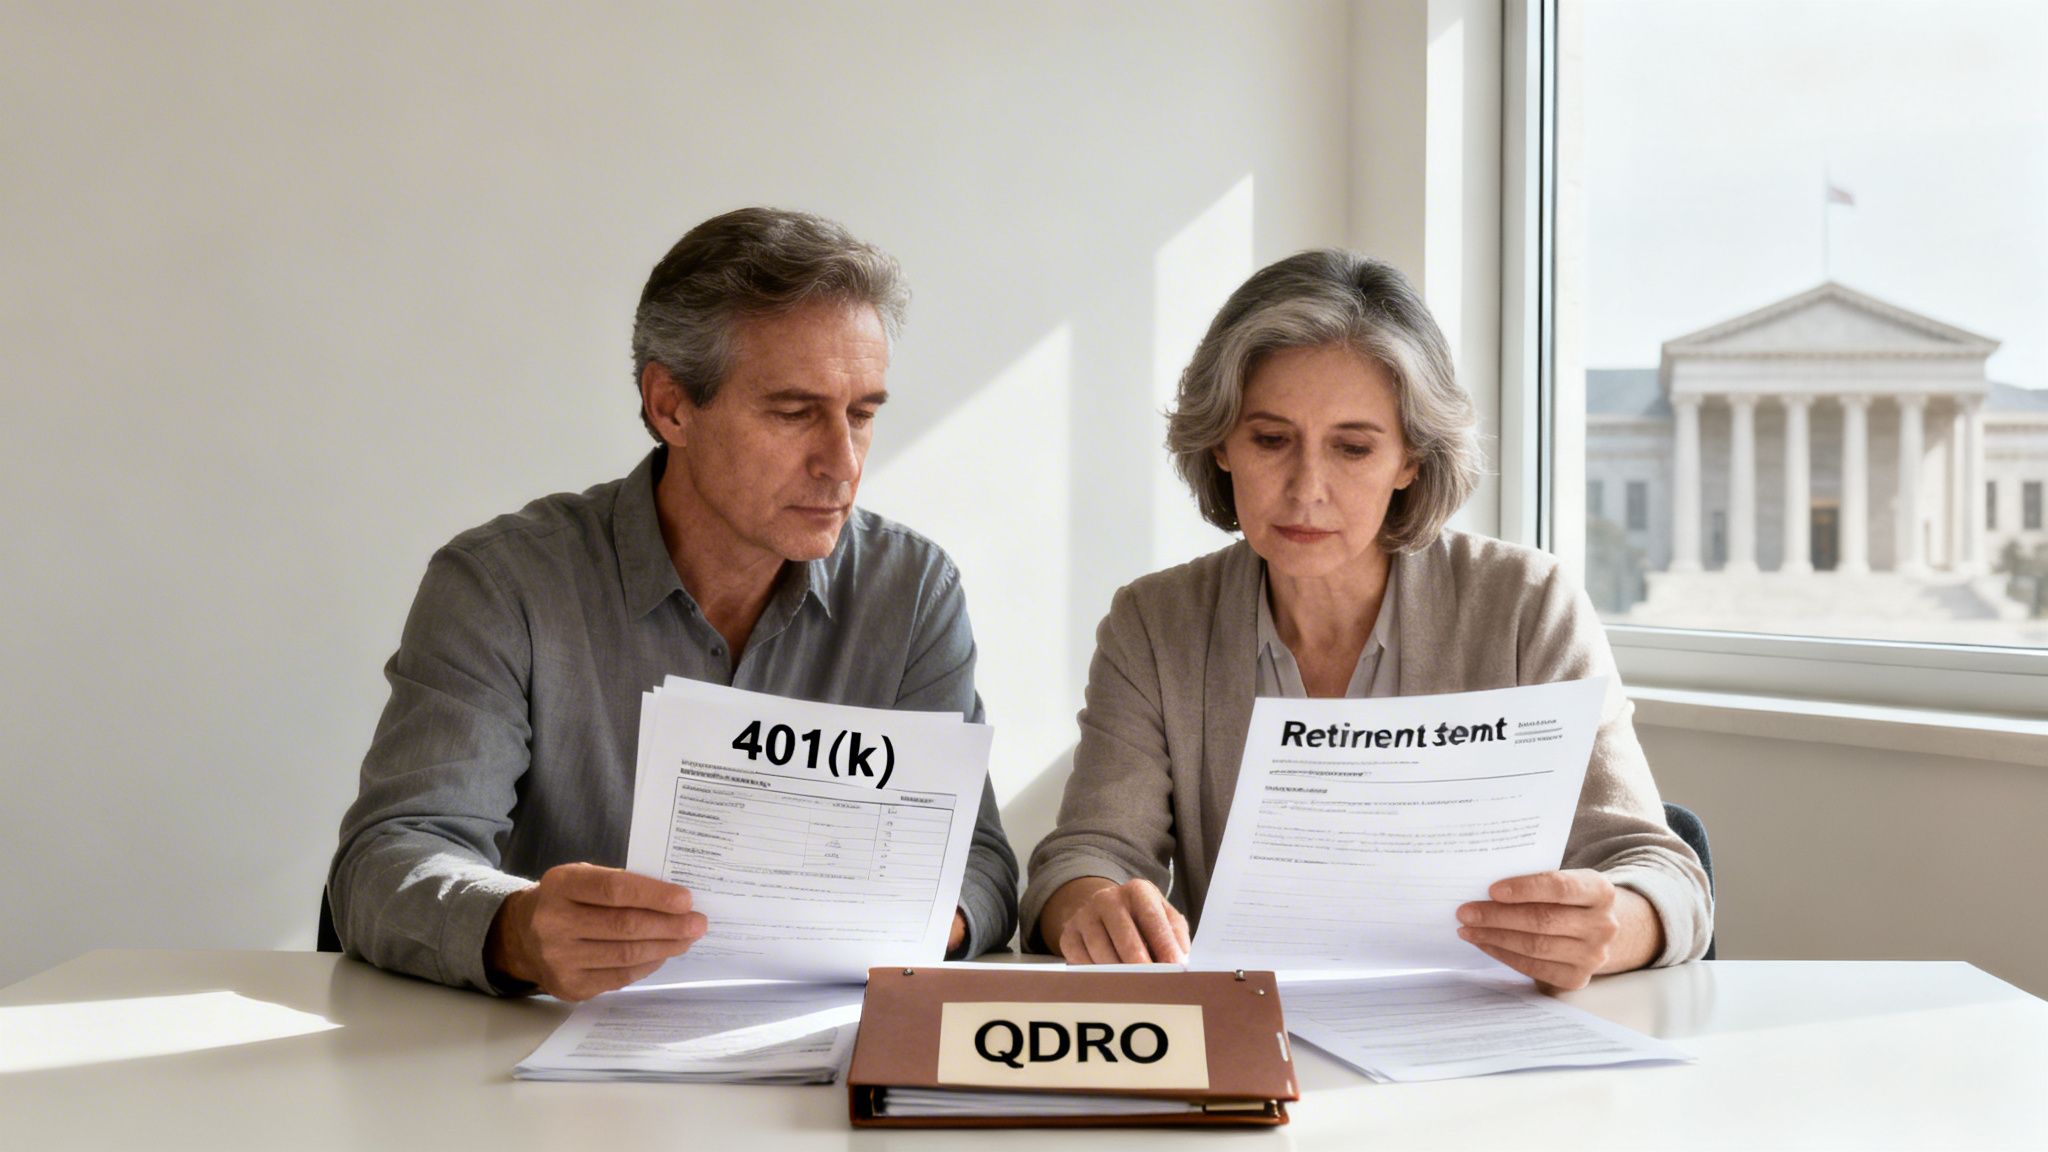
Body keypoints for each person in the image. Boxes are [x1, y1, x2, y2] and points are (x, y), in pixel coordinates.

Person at [330, 207, 1018, 1000]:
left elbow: (982, 865)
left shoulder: (913, 593)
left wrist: (923, 920)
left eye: (862, 415)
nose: (842, 463)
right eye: (795, 413)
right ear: (671, 407)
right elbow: (389, 858)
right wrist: (515, 929)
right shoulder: (502, 585)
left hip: (814, 1063)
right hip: (539, 1075)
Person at [1021, 249, 1711, 990]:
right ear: (1221, 442)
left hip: (1481, 1041)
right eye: (1270, 439)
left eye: (1353, 447)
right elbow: (1082, 857)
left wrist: (1611, 929)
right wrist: (1094, 907)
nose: (1306, 489)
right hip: (1252, 1036)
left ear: (1411, 459)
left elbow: (1663, 871)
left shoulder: (1526, 604)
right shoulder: (1154, 624)